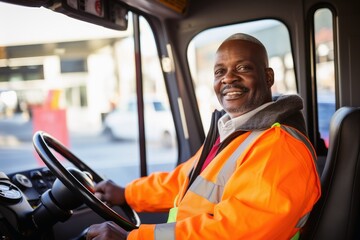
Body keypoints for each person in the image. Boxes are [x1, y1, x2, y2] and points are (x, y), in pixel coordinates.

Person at [86, 33, 321, 240]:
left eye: (243, 68)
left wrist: (134, 238)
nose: (228, 78)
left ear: (268, 77)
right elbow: (183, 181)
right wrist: (126, 193)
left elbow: (237, 230)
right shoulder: (236, 131)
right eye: (220, 71)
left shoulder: (279, 146)